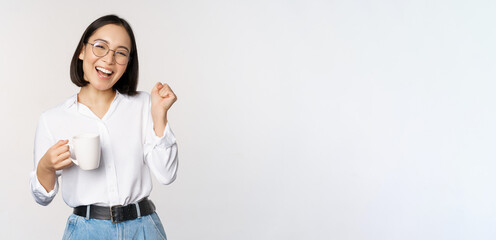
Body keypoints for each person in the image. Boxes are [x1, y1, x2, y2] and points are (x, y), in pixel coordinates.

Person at [29, 14, 178, 240]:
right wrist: (47, 167)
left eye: (120, 53)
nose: (109, 59)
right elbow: (42, 198)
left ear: (127, 63)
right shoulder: (53, 119)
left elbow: (167, 175)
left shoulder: (144, 105)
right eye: (100, 47)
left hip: (144, 228)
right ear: (82, 51)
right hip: (86, 232)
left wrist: (160, 116)